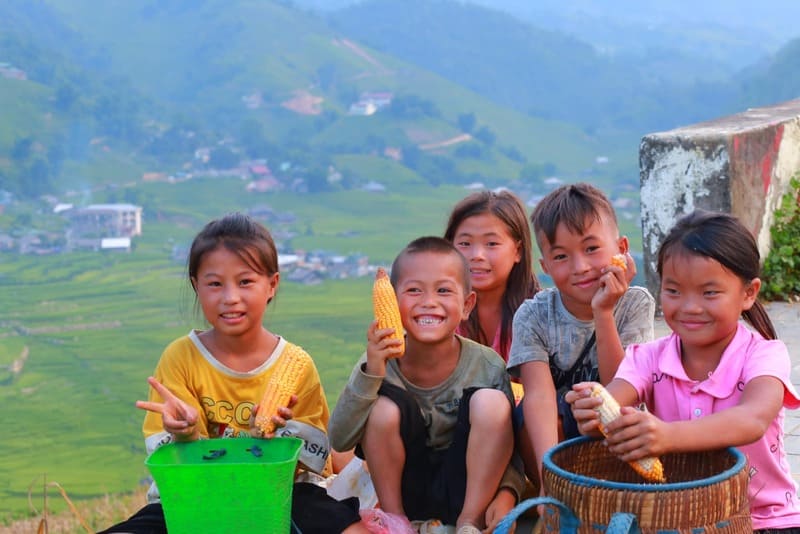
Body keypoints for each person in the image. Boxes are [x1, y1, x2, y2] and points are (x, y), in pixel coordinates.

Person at [99, 213, 368, 534]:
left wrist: (270, 441)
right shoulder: (180, 358)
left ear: (272, 285)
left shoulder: (296, 364)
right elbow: (171, 464)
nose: (230, 298)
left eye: (245, 282)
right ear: (195, 286)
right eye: (215, 283)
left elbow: (312, 460)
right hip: (194, 494)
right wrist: (184, 435)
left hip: (281, 494)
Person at [566, 209, 800, 533]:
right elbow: (614, 400)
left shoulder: (763, 356)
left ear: (748, 293)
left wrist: (666, 436)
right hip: (682, 520)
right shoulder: (647, 358)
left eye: (709, 293)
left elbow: (753, 420)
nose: (689, 307)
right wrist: (594, 412)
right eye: (673, 291)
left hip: (765, 520)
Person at [328, 236, 526, 534]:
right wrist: (372, 372)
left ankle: (468, 523)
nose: (429, 302)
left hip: (468, 488)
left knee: (493, 403)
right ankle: (397, 523)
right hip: (406, 490)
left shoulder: (486, 365)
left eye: (444, 290)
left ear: (467, 304)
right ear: (393, 303)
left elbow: (509, 448)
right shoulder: (377, 362)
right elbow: (340, 439)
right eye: (414, 290)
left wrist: (507, 493)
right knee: (381, 408)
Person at [507, 182, 655, 489]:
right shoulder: (533, 315)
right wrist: (550, 480)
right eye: (561, 256)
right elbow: (539, 397)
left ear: (621, 250)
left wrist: (603, 313)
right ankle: (559, 492)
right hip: (555, 437)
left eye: (591, 249)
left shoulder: (635, 304)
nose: (581, 267)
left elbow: (623, 387)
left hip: (615, 434)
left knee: (613, 412)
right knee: (530, 413)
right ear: (545, 266)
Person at [444, 189, 541, 362]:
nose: (477, 255)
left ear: (517, 251)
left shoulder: (542, 316)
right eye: (465, 243)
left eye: (491, 244)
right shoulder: (439, 312)